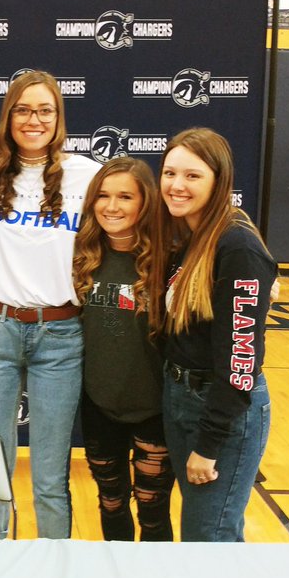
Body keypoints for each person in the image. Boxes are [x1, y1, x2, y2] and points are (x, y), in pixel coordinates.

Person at [0, 70, 100, 539]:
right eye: (23, 109)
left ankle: (53, 569)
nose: (34, 119)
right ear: (8, 117)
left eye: (45, 109)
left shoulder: (86, 174)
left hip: (61, 334)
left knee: (49, 473)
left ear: (59, 118)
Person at [159, 127, 278, 542]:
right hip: (180, 397)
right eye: (170, 173)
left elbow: (241, 360)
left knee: (208, 539)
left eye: (192, 176)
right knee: (212, 533)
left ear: (218, 180)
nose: (177, 185)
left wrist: (209, 444)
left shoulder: (238, 247)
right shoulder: (189, 237)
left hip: (222, 411)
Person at [72, 157, 174, 541]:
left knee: (153, 508)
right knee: (110, 501)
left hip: (157, 408)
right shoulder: (80, 257)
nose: (111, 206)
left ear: (145, 202)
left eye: (125, 197)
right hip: (101, 405)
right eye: (103, 195)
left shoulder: (170, 259)